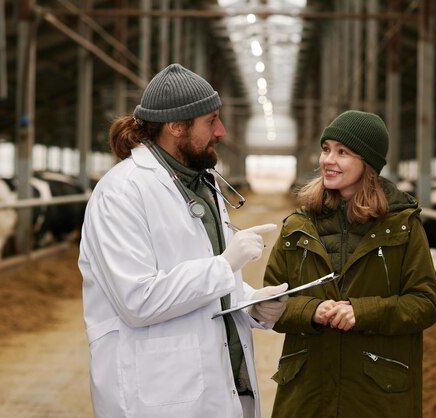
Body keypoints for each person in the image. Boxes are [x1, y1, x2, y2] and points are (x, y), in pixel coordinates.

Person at [78, 63, 288, 418]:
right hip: (158, 392)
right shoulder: (121, 193)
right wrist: (224, 266)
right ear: (176, 126)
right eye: (211, 121)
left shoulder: (202, 183)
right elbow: (138, 301)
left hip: (218, 382)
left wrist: (250, 302)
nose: (221, 131)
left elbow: (202, 280)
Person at [263, 110, 436, 417]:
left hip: (376, 396)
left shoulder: (403, 227)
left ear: (367, 163)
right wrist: (311, 311)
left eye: (342, 152)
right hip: (309, 394)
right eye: (326, 149)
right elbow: (268, 304)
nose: (328, 160)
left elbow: (424, 304)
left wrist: (363, 311)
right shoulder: (297, 226)